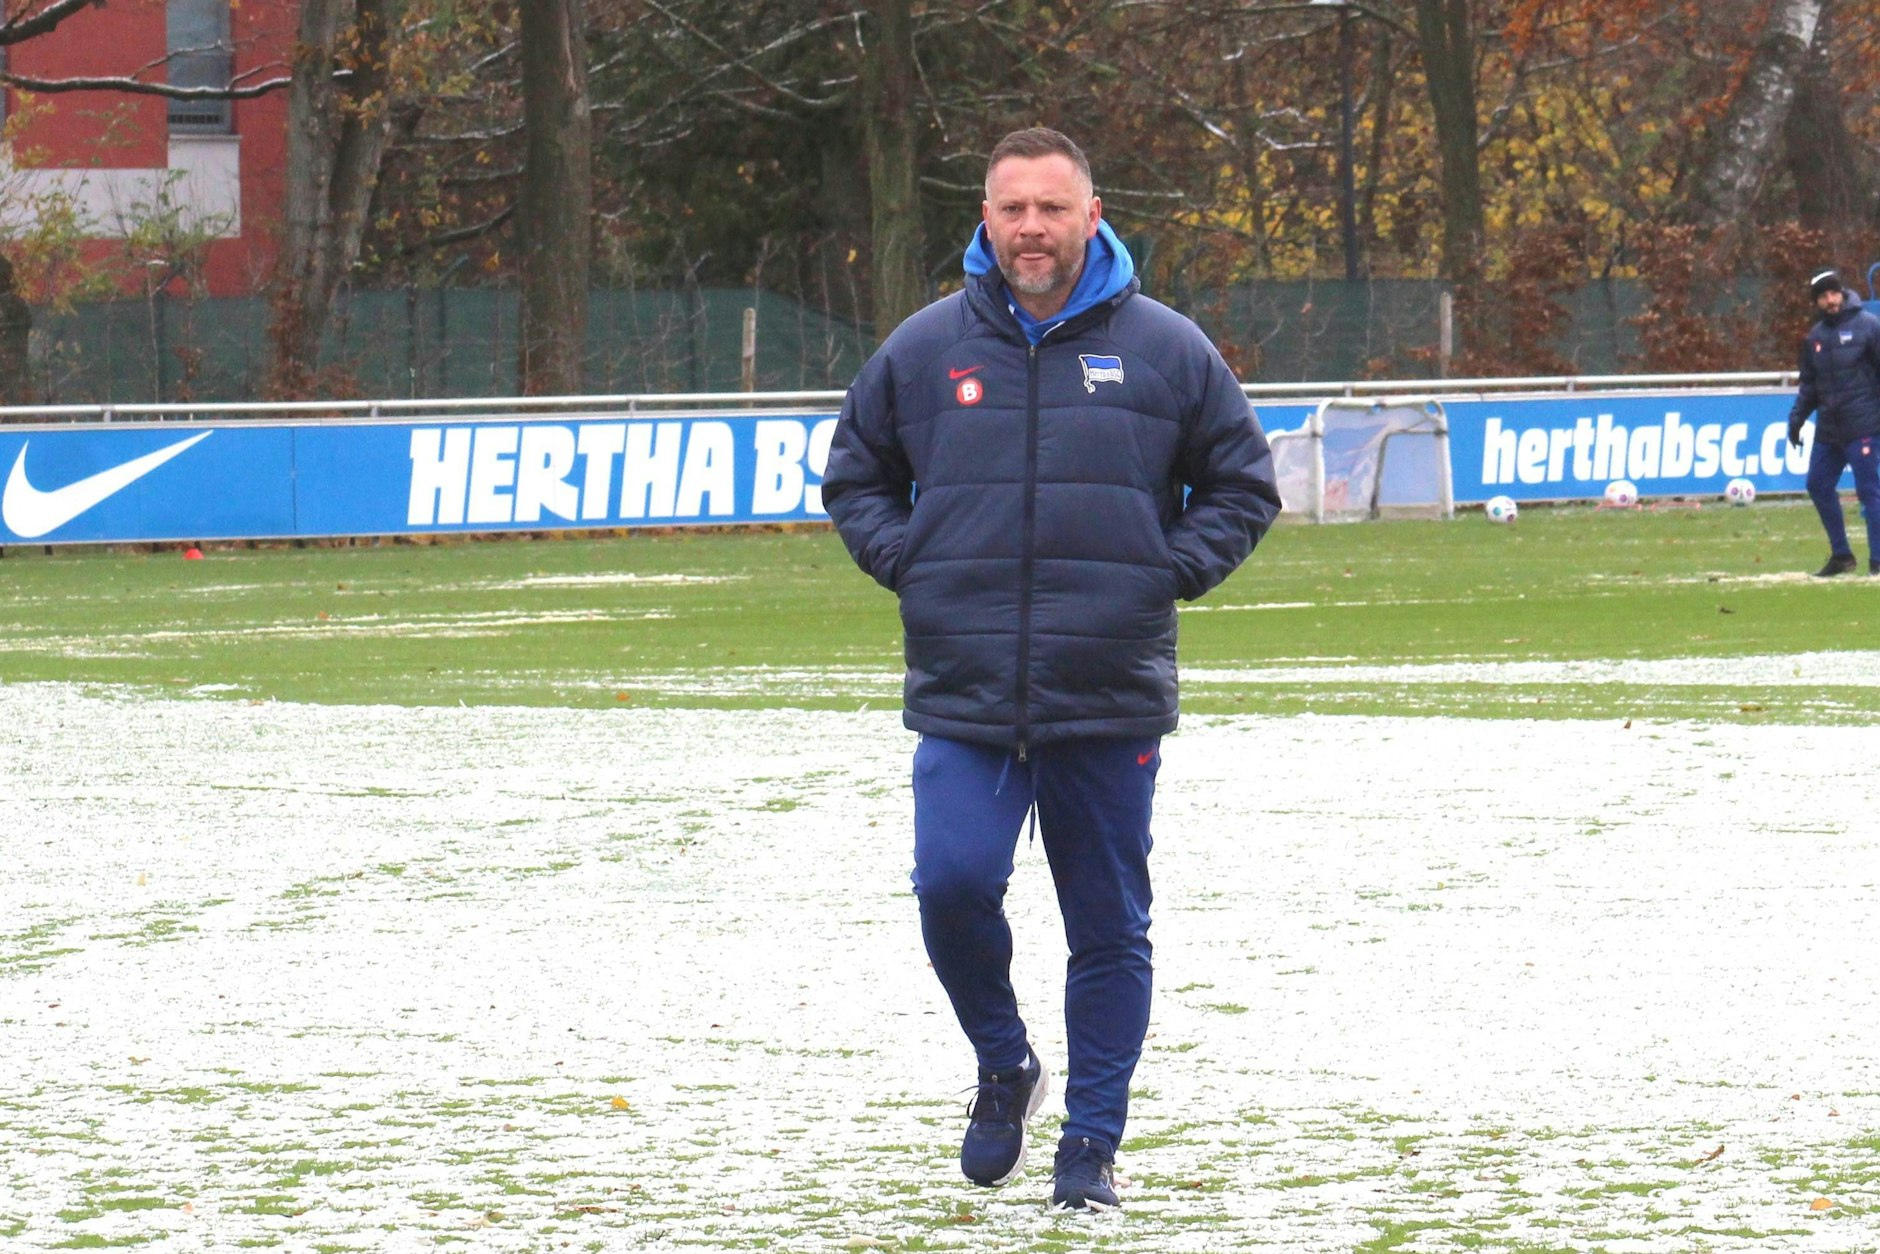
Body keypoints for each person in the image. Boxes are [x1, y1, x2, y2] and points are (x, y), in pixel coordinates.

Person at [820, 127, 1281, 1211]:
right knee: (951, 885)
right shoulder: (925, 349)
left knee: (1106, 928)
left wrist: (1157, 575)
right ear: (984, 219)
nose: (1031, 227)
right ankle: (1003, 1062)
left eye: (1051, 208)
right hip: (965, 689)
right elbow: (855, 477)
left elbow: (1242, 487)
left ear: (1091, 214)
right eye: (1011, 208)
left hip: (1105, 686)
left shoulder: (1166, 349)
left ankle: (1090, 1152)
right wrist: (915, 566)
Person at [1787, 268, 1880, 576]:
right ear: (1817, 301)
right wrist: (1797, 418)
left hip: (1863, 425)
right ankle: (1842, 555)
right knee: (1817, 484)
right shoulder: (1815, 337)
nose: (1831, 300)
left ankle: (1877, 561)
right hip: (1830, 429)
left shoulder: (1869, 326)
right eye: (1824, 296)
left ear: (1842, 293)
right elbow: (1810, 385)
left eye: (1834, 293)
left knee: (1869, 491)